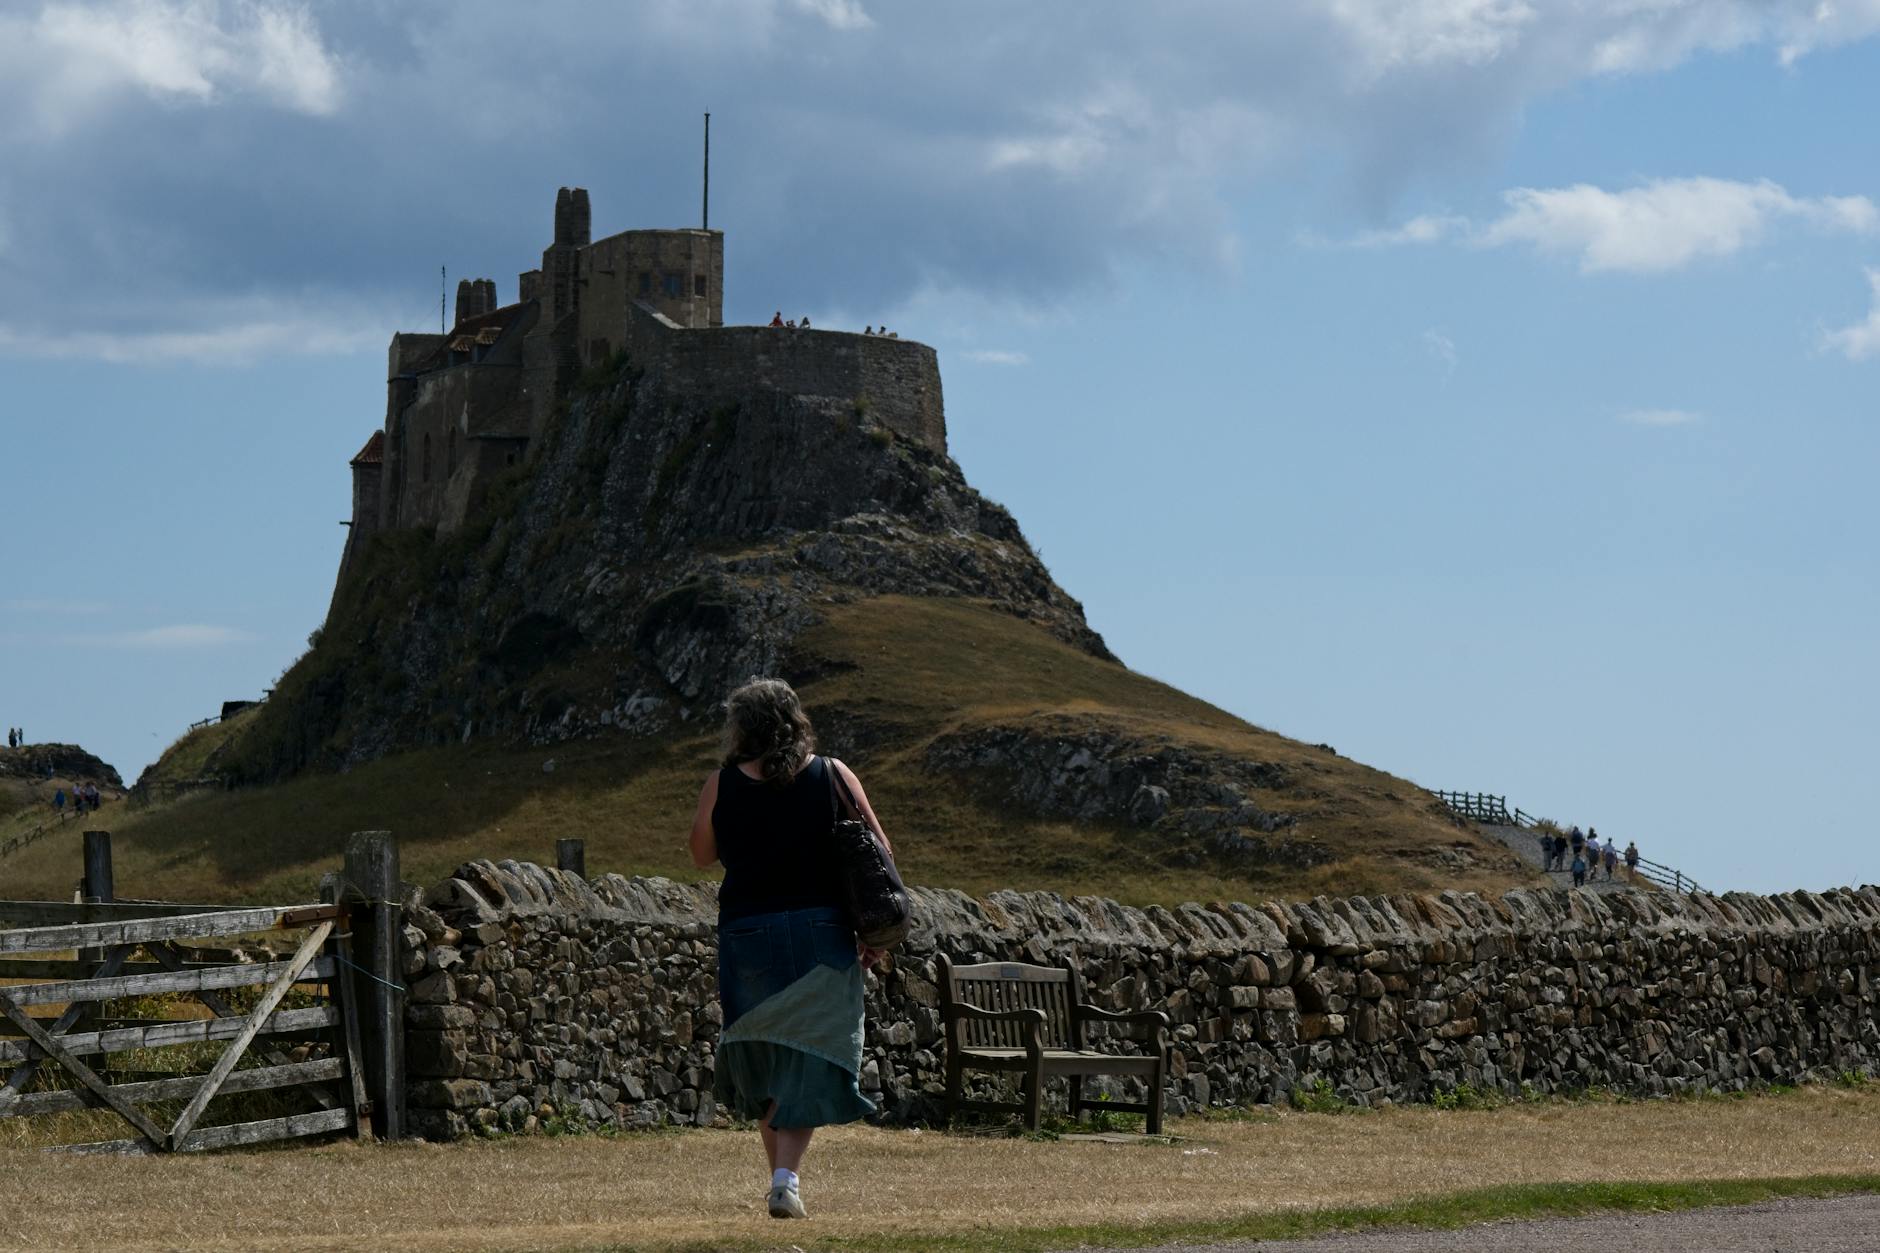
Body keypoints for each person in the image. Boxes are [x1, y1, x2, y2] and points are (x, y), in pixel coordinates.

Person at [689, 678, 888, 1221]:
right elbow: (878, 851)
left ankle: (781, 1180)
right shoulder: (832, 775)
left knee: (768, 1055)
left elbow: (702, 855)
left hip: (747, 934)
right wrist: (873, 932)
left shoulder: (722, 783)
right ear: (795, 720)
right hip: (821, 931)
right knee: (807, 1055)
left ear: (741, 727)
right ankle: (786, 1179)